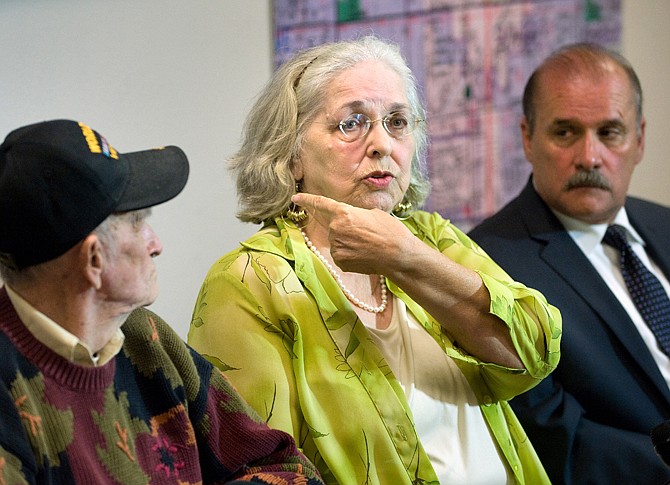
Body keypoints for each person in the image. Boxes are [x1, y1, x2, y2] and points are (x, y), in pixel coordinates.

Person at [187, 36, 561, 485]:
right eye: (351, 123)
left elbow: (536, 352)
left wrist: (407, 259)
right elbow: (261, 471)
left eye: (397, 121)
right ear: (290, 155)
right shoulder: (248, 281)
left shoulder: (432, 237)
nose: (382, 143)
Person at [0, 119, 323, 484]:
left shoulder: (143, 336)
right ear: (94, 260)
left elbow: (288, 468)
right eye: (138, 222)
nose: (156, 244)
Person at [468, 43, 670, 484]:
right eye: (565, 133)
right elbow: (556, 436)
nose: (589, 157)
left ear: (639, 139)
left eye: (610, 132)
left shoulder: (664, 222)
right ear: (527, 137)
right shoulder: (488, 265)